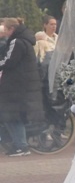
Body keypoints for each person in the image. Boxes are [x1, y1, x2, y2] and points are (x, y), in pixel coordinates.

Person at [0, 17, 45, 155]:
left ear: (12, 29)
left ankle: (21, 145)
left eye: (5, 29)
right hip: (23, 83)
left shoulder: (16, 41)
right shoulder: (25, 40)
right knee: (12, 114)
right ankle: (18, 143)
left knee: (11, 114)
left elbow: (9, 60)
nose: (4, 32)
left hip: (16, 84)